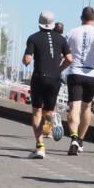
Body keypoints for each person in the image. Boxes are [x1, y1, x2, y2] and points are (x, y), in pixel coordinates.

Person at [22, 11, 71, 158]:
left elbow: (27, 60)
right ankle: (52, 120)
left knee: (37, 112)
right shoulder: (61, 39)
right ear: (53, 23)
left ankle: (40, 147)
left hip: (39, 78)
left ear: (39, 22)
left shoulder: (33, 38)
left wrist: (28, 58)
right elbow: (70, 58)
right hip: (55, 79)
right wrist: (59, 68)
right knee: (48, 111)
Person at [64, 6, 94, 156]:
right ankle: (81, 140)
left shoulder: (71, 32)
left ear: (81, 18)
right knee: (87, 107)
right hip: (92, 74)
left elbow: (63, 54)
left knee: (74, 107)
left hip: (75, 72)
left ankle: (74, 138)